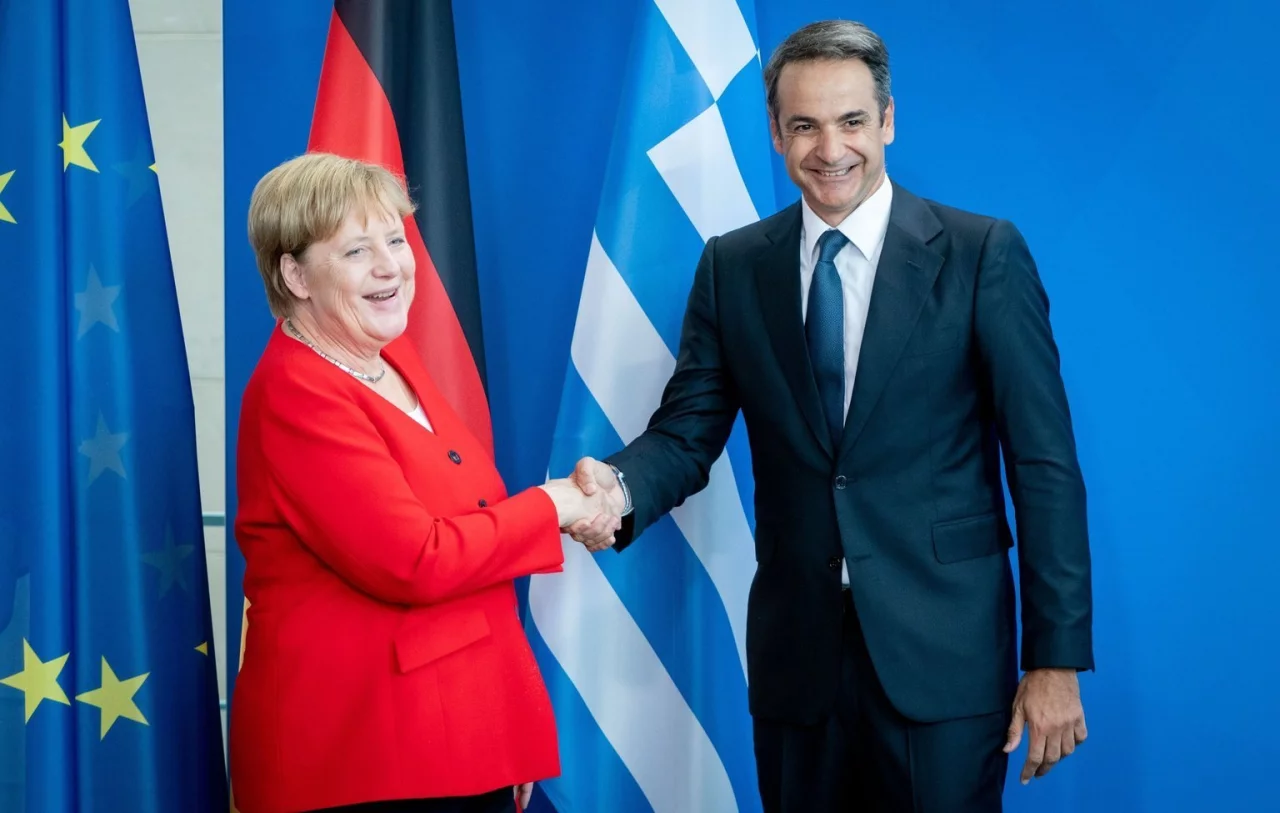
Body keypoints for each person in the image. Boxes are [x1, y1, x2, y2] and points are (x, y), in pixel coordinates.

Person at [567, 19, 1093, 812]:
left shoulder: (981, 253)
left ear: (887, 120)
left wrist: (1056, 657)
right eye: (805, 125)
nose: (830, 148)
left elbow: (1043, 463)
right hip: (798, 662)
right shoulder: (733, 266)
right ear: (777, 132)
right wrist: (618, 488)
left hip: (944, 657)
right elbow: (686, 432)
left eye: (851, 121)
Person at [229, 152, 616, 813]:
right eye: (357, 250)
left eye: (396, 239)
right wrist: (554, 504)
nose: (390, 266)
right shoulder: (297, 392)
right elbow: (416, 560)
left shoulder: (389, 358)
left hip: (458, 737)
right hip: (357, 759)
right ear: (294, 274)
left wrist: (502, 731)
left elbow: (472, 530)